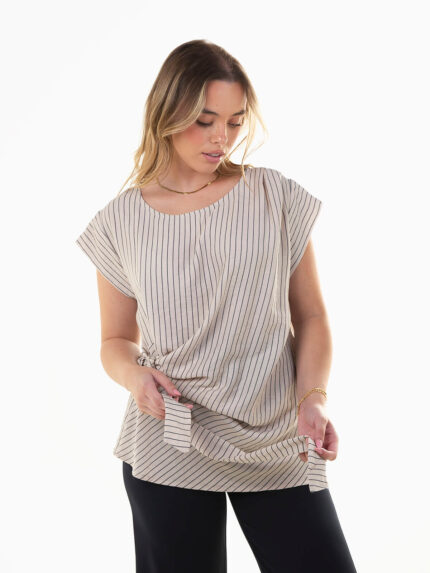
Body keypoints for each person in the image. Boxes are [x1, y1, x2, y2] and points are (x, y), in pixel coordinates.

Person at [76, 39, 357, 573]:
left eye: (234, 121)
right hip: (170, 439)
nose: (221, 138)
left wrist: (314, 399)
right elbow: (114, 340)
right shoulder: (120, 222)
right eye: (204, 121)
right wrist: (135, 377)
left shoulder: (273, 196)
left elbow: (312, 316)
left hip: (278, 436)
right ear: (167, 113)